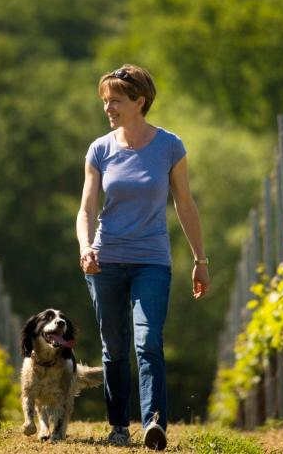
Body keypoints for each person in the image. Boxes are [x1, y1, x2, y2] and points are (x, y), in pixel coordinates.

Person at [77, 64, 210, 450]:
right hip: (105, 261)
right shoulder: (99, 149)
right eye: (105, 101)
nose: (108, 108)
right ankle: (118, 425)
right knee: (114, 347)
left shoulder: (170, 146)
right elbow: (86, 208)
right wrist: (86, 247)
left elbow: (185, 205)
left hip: (152, 260)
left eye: (115, 100)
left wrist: (201, 260)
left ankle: (154, 422)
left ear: (140, 101)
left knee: (148, 340)